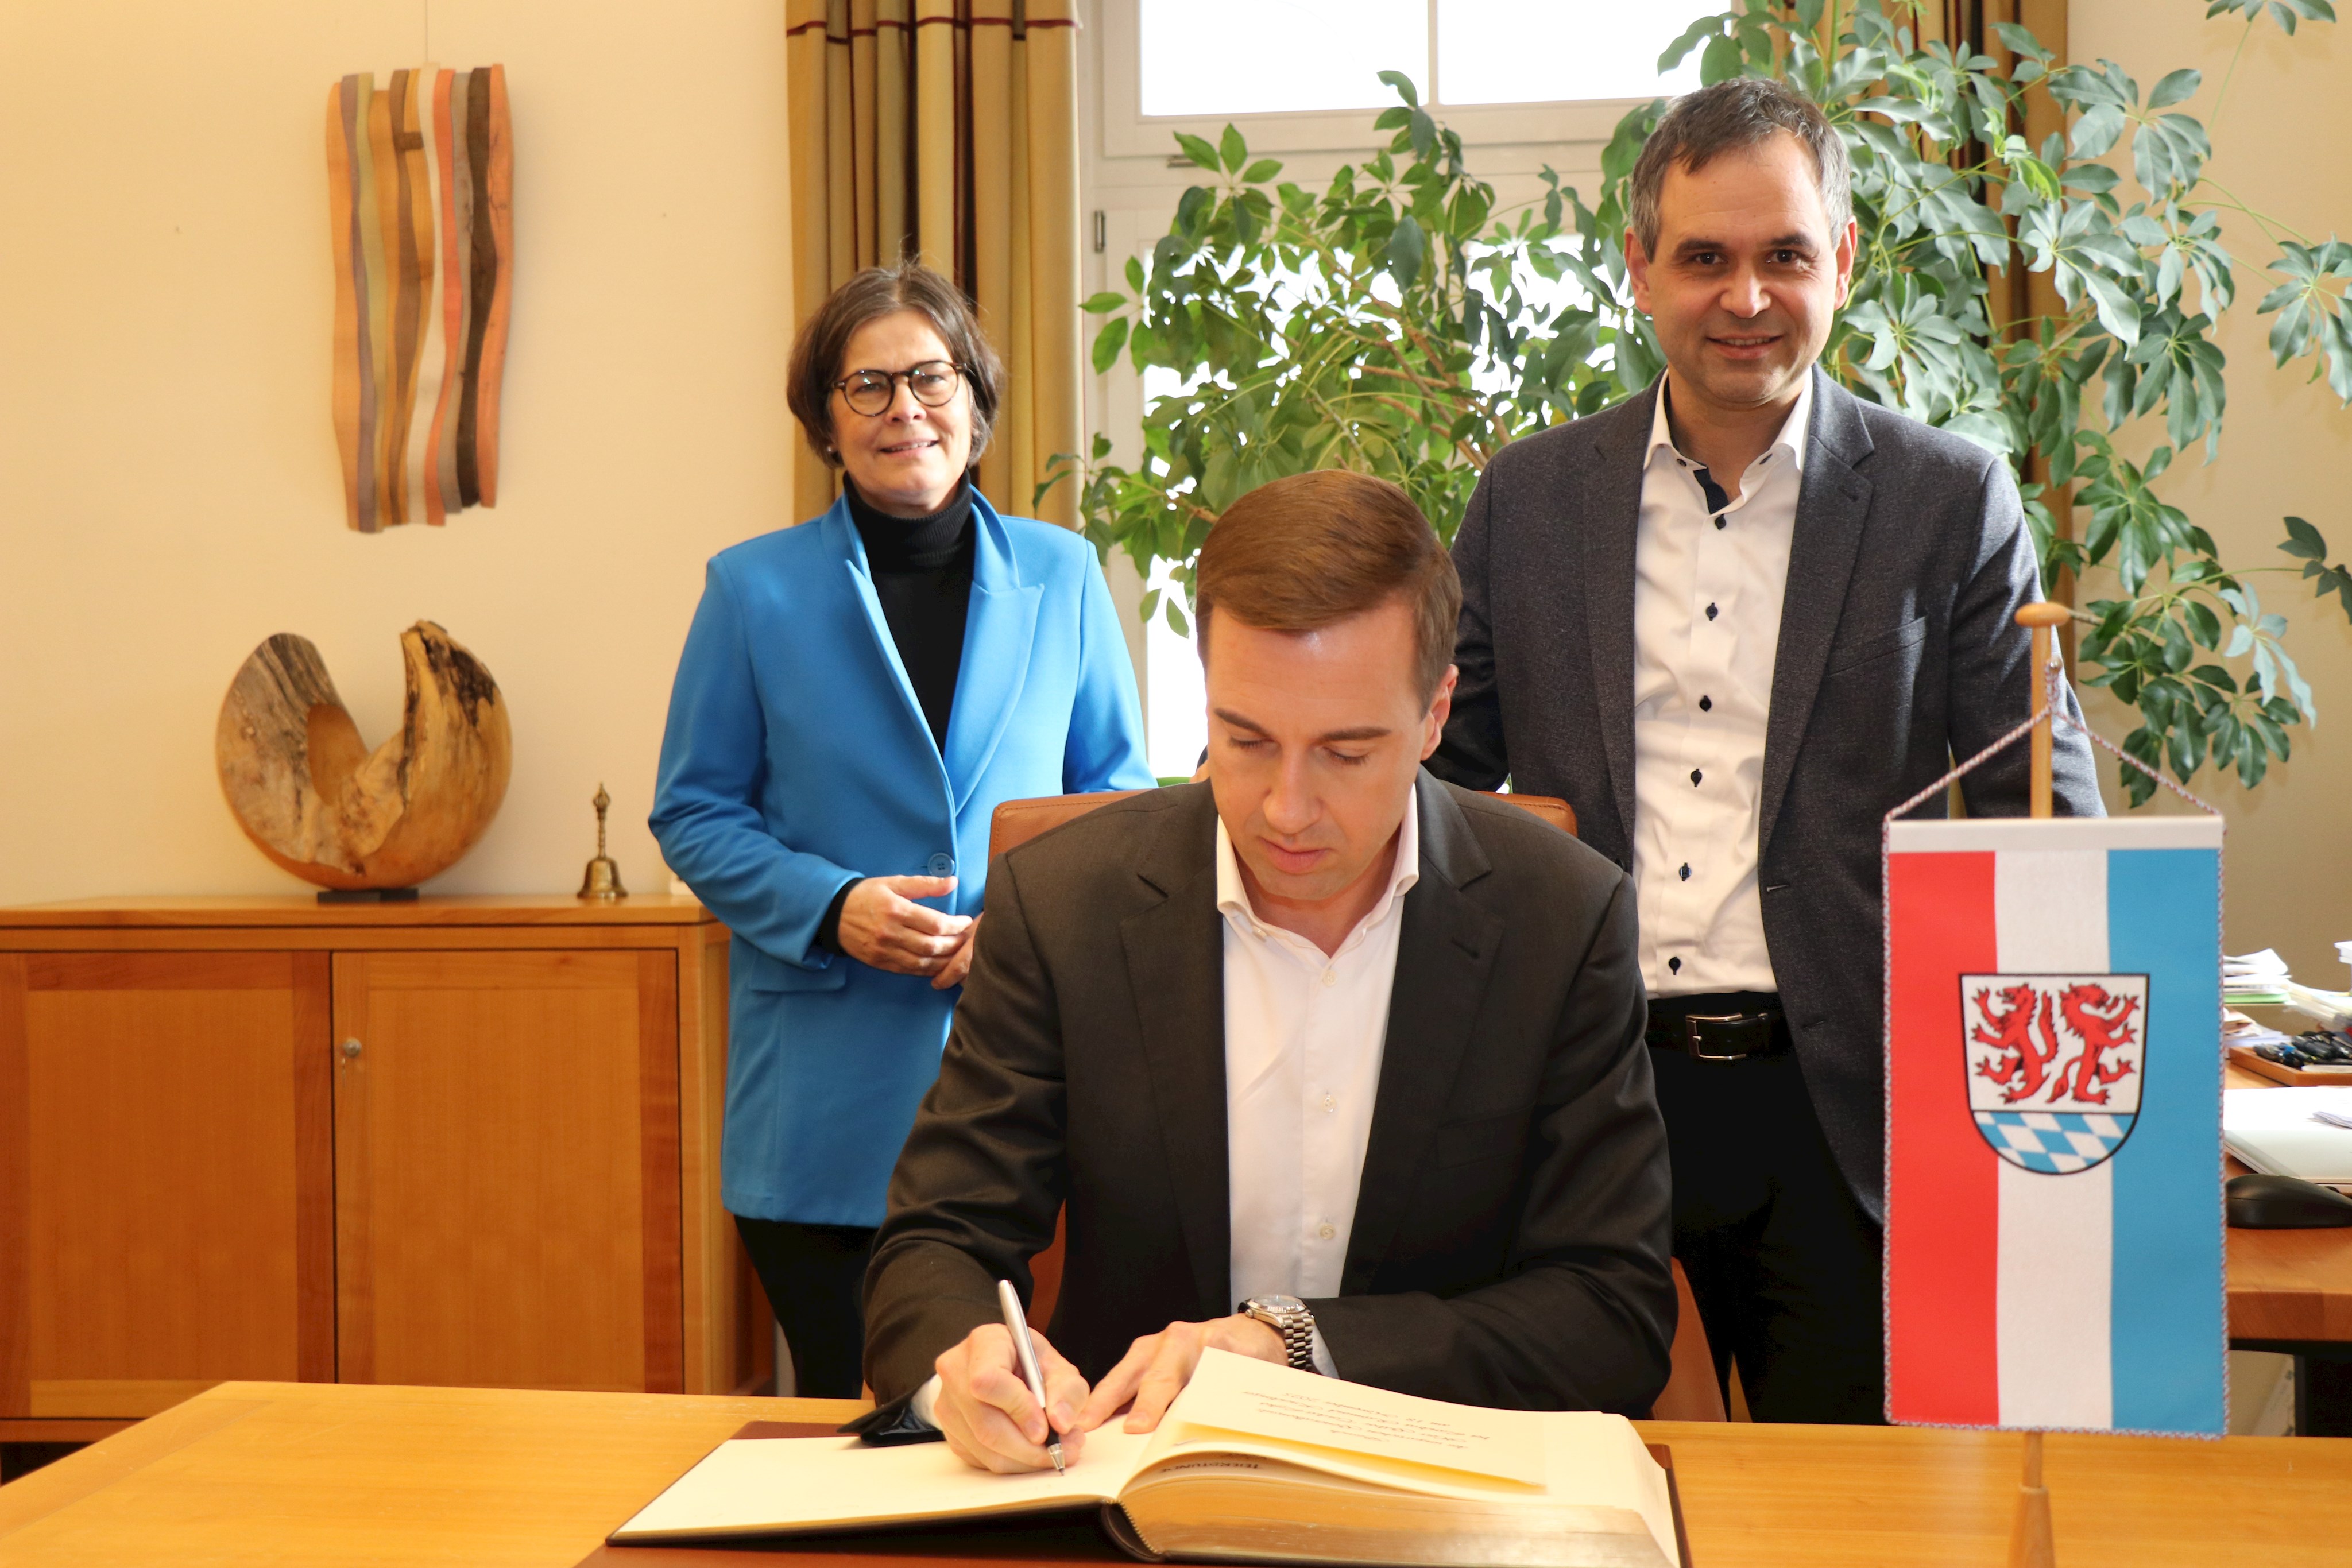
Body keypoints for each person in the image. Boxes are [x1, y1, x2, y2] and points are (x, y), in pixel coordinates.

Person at [1430, 79, 2103, 1424]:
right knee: (1582, 1500)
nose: (1744, 296)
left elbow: (2042, 811)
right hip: (1584, 1097)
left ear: (1840, 261)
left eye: (1783, 254)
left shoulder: (1946, 498)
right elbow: (1443, 780)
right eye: (1703, 258)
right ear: (1639, 269)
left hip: (1843, 1113)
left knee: (1855, 1513)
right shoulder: (1528, 496)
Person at [856, 469, 1675, 1473]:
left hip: (1437, 1485)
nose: (1287, 808)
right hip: (1120, 1481)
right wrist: (970, 1366)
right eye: (1244, 740)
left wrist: (1294, 1346)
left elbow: (1610, 1309)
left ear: (1434, 716)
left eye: (1345, 751)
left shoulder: (1561, 915)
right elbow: (938, 1239)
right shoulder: (1062, 902)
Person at [650, 261, 1152, 1398]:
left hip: (1027, 1093)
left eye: (928, 378)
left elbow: (1112, 804)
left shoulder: (1064, 576)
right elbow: (692, 810)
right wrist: (831, 906)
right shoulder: (752, 591)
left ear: (974, 401)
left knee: (1025, 1428)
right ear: (824, 423)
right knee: (867, 1427)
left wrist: (1024, 933)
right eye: (865, 386)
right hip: (819, 1113)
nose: (902, 410)